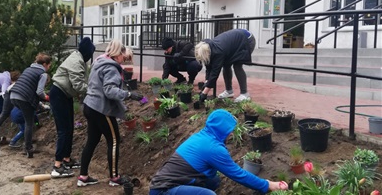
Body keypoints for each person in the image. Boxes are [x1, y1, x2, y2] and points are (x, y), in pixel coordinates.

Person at [149, 109, 287, 195]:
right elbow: (237, 174)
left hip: (167, 183)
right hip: (163, 190)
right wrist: (267, 185)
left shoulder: (203, 136)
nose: (232, 133)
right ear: (223, 129)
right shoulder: (213, 148)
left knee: (213, 181)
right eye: (230, 129)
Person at [77, 40, 143, 187]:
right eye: (123, 57)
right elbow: (109, 91)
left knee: (92, 141)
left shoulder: (99, 62)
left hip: (89, 105)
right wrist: (129, 95)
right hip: (101, 109)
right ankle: (114, 177)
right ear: (118, 54)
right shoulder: (111, 68)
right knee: (114, 140)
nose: (123, 61)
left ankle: (83, 176)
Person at [49, 37, 95, 178]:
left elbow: (80, 82)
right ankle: (57, 166)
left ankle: (66, 159)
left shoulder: (78, 58)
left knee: (69, 128)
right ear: (87, 53)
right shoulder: (76, 61)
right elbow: (78, 85)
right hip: (58, 94)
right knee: (63, 130)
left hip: (65, 95)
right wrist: (94, 91)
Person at [195, 29, 256, 103]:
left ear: (206, 54)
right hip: (234, 43)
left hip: (247, 39)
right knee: (226, 65)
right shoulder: (208, 47)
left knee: (237, 65)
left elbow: (215, 73)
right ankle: (229, 91)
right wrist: (207, 82)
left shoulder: (218, 52)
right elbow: (209, 68)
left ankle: (245, 94)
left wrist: (204, 93)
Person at [10, 53, 52, 158]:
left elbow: (31, 90)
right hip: (23, 98)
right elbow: (39, 92)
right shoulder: (43, 74)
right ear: (45, 64)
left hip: (13, 95)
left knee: (27, 114)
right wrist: (47, 98)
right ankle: (28, 148)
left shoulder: (28, 69)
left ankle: (21, 139)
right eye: (49, 65)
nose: (49, 68)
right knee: (29, 123)